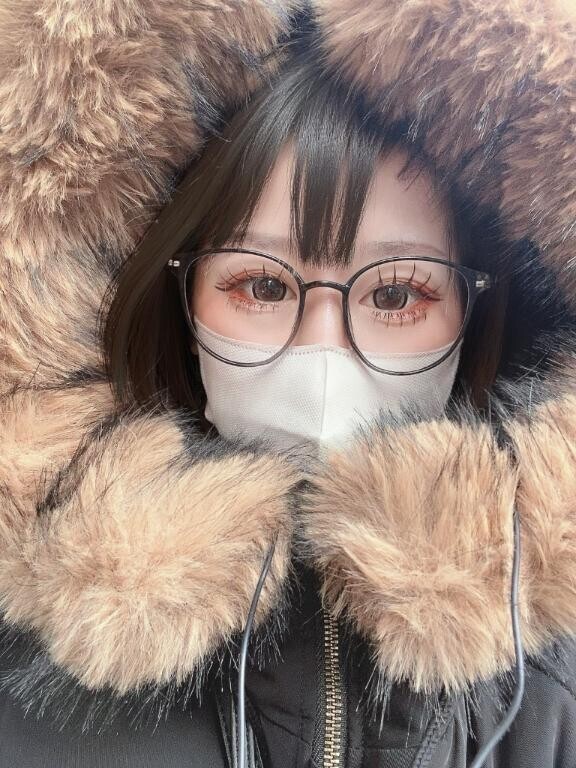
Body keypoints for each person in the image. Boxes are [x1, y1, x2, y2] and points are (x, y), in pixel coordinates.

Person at [0, 2, 574, 767]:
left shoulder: (550, 698)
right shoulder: (24, 685)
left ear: (475, 315)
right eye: (262, 287)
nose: (321, 358)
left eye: (396, 294)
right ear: (181, 302)